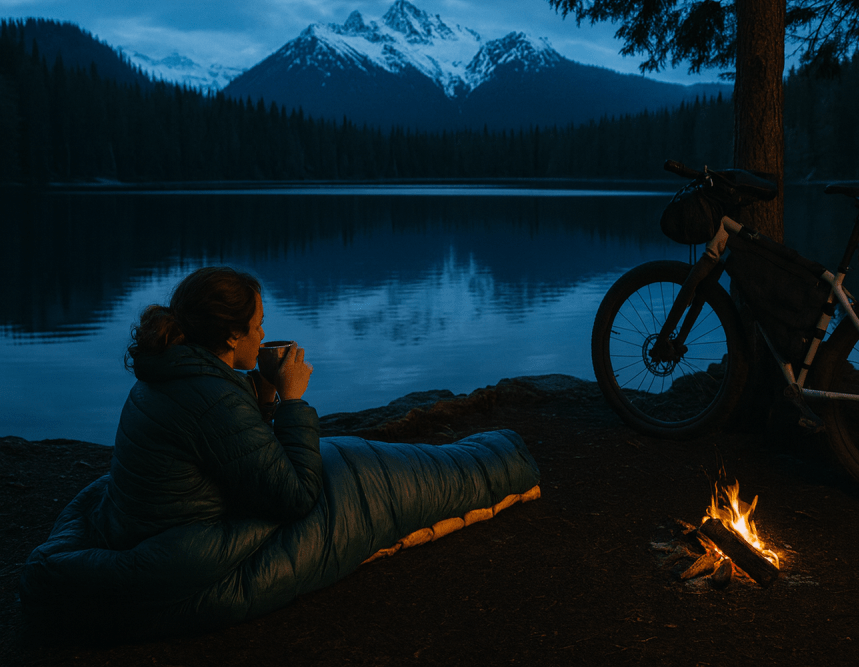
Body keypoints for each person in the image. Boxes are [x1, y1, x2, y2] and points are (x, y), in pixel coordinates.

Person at [20, 266, 540, 640]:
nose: (265, 333)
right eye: (259, 324)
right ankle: (505, 461)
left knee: (346, 458)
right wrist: (292, 400)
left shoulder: (172, 372)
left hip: (161, 524)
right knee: (357, 476)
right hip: (191, 554)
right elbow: (294, 499)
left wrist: (261, 395)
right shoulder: (212, 396)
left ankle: (490, 455)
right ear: (230, 334)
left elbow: (223, 447)